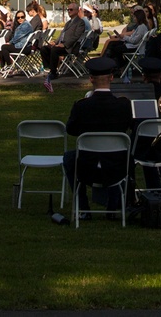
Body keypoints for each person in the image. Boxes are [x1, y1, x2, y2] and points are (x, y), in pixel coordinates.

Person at [62, 57, 134, 215]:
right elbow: (128, 127)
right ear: (112, 78)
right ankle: (114, 206)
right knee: (126, 154)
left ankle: (82, 207)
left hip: (87, 166)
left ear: (91, 79)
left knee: (69, 158)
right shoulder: (123, 105)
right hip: (116, 165)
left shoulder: (82, 106)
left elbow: (71, 130)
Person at [40, 3, 87, 74]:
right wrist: (55, 42)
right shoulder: (68, 23)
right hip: (61, 45)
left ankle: (53, 72)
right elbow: (62, 35)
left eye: (71, 10)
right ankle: (49, 68)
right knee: (44, 48)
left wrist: (64, 45)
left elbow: (76, 37)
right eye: (68, 10)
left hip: (70, 47)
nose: (69, 11)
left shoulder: (80, 22)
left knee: (54, 50)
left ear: (77, 11)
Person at [103, 7, 150, 73]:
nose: (134, 19)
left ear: (138, 18)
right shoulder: (142, 26)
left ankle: (120, 65)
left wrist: (124, 37)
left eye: (135, 17)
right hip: (133, 45)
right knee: (113, 45)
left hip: (134, 47)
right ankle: (112, 64)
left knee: (115, 49)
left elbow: (134, 41)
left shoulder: (141, 27)